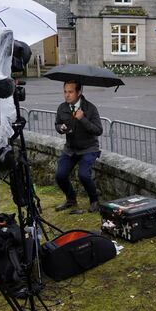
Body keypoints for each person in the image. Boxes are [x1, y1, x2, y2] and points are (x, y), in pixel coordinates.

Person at [54, 79, 103, 213]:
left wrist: (83, 119)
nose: (67, 95)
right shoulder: (62, 108)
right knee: (60, 175)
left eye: (70, 92)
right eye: (65, 92)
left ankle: (94, 201)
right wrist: (61, 128)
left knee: (83, 175)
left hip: (89, 148)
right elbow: (57, 124)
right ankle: (71, 199)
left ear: (79, 92)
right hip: (70, 148)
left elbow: (98, 130)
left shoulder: (90, 108)